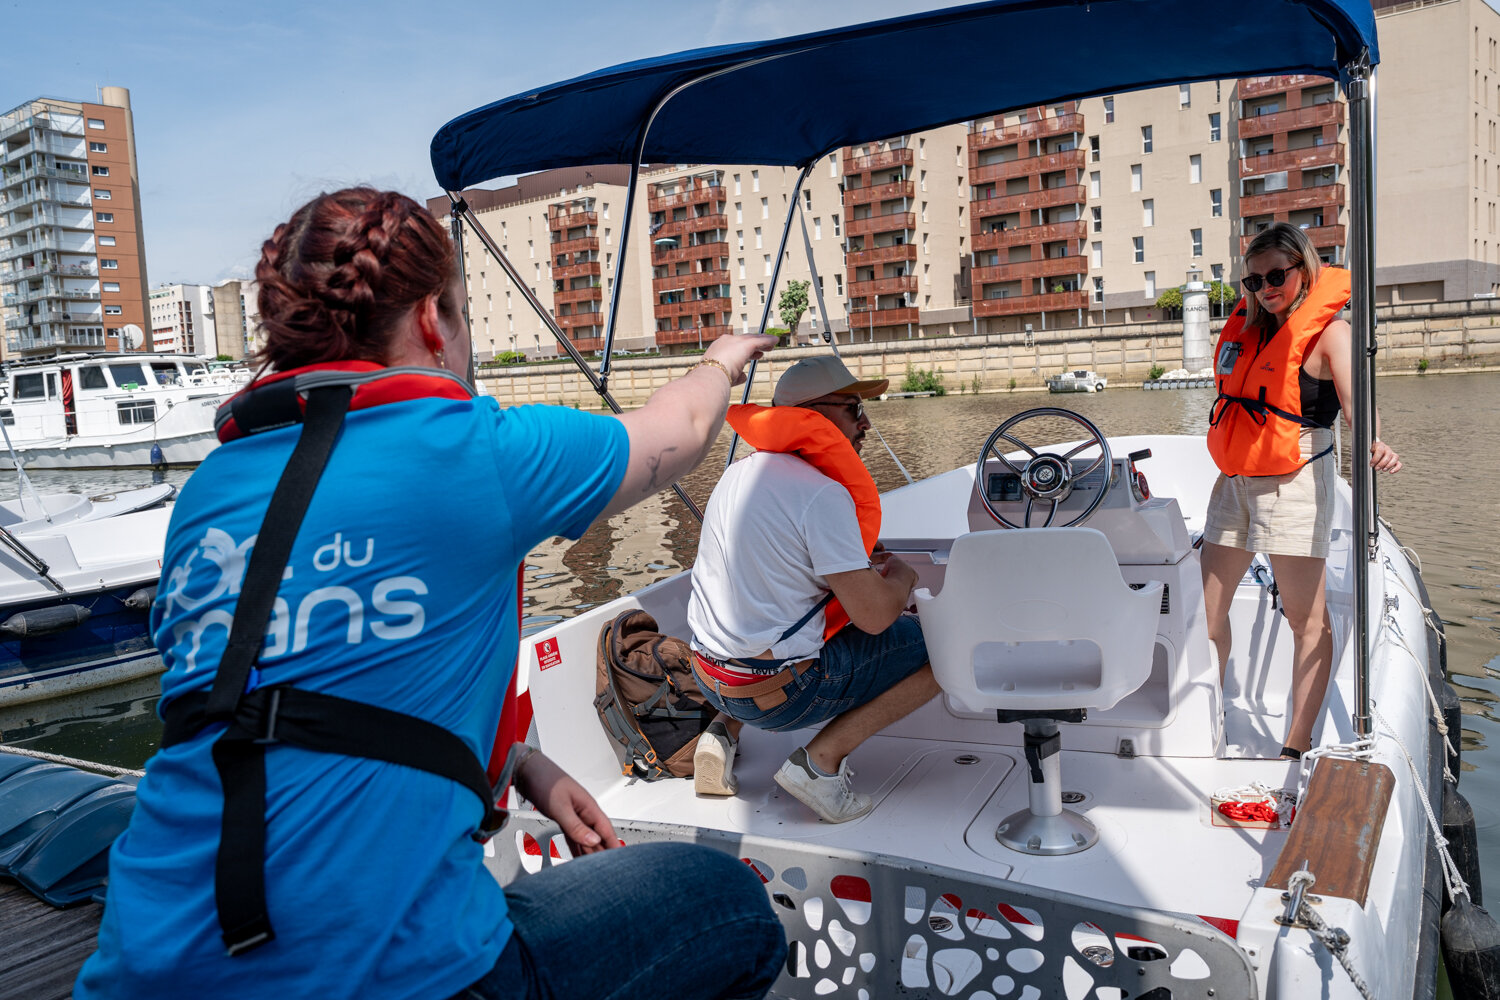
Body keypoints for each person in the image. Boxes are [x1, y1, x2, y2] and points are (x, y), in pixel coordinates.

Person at [74, 188, 786, 1000]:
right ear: (429, 319)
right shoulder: (474, 453)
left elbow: (280, 696)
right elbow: (680, 431)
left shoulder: (208, 490)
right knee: (731, 908)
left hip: (146, 967)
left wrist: (517, 761)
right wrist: (722, 356)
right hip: (386, 978)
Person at [687, 355, 940, 823]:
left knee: (763, 629)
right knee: (941, 648)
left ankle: (720, 737)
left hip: (707, 679)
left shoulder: (739, 473)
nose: (865, 423)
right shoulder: (822, 493)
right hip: (780, 697)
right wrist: (903, 577)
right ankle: (819, 764)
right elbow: (875, 618)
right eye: (854, 408)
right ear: (813, 414)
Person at [1201, 222, 1402, 760]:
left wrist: (1374, 444)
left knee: (1305, 621)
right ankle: (1208, 720)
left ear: (1304, 269)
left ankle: (1294, 746)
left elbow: (1359, 408)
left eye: (1276, 276)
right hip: (1235, 482)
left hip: (1294, 482)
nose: (1265, 289)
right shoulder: (1250, 331)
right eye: (1254, 281)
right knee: (1207, 613)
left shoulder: (1330, 333)